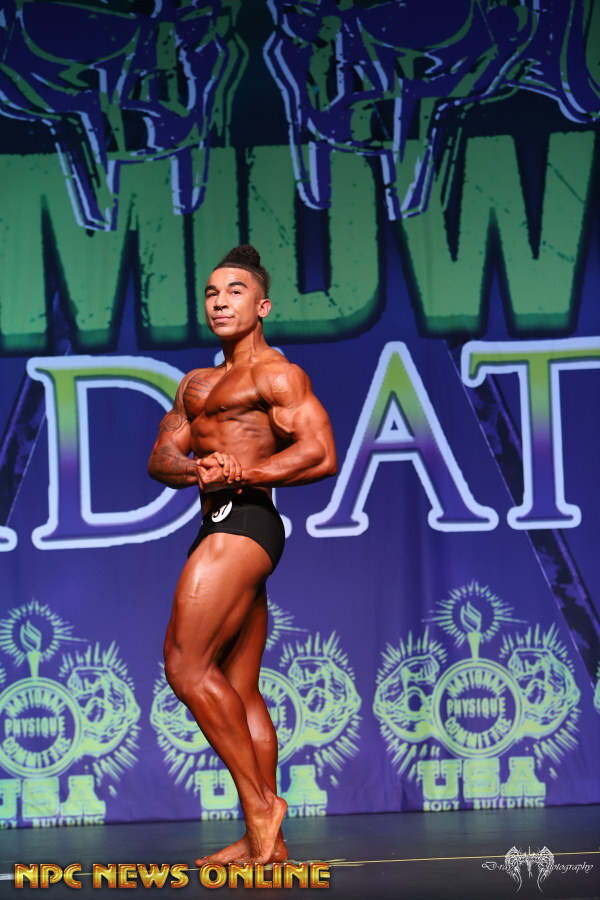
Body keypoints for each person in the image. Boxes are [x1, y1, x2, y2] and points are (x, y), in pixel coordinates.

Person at [147, 245, 337, 865]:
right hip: (218, 520)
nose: (220, 302)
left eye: (234, 292)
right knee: (238, 685)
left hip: (247, 520)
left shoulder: (277, 375)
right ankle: (267, 843)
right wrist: (197, 468)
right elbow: (161, 458)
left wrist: (243, 472)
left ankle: (260, 805)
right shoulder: (195, 385)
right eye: (211, 292)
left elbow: (320, 452)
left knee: (185, 664)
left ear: (262, 307)